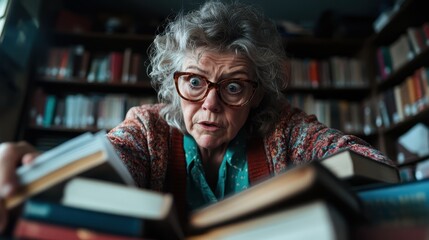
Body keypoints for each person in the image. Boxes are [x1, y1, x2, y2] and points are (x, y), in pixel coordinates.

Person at [0, 0, 392, 233]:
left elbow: (371, 166)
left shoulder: (285, 129)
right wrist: (37, 171)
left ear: (256, 95)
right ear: (174, 85)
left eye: (233, 87)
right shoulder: (147, 128)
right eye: (194, 82)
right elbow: (113, 159)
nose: (210, 104)